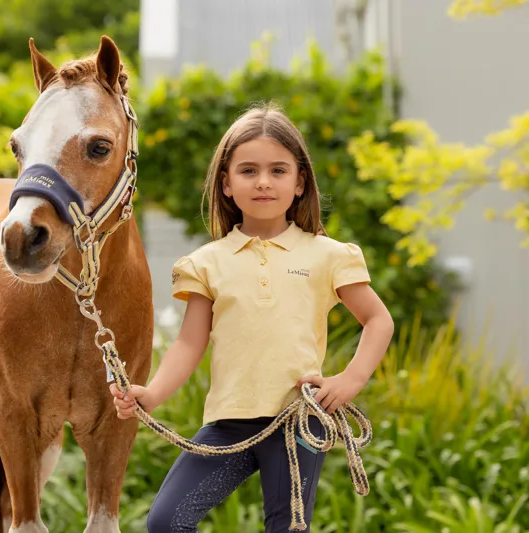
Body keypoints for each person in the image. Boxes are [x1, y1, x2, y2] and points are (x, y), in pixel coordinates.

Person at [110, 103, 394, 532]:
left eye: (278, 171)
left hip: (297, 419)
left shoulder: (328, 255)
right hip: (228, 424)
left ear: (300, 183)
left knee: (287, 527)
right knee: (166, 522)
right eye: (248, 171)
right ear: (226, 183)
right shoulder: (206, 263)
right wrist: (152, 394)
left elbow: (378, 320)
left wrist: (348, 381)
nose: (263, 182)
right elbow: (189, 343)